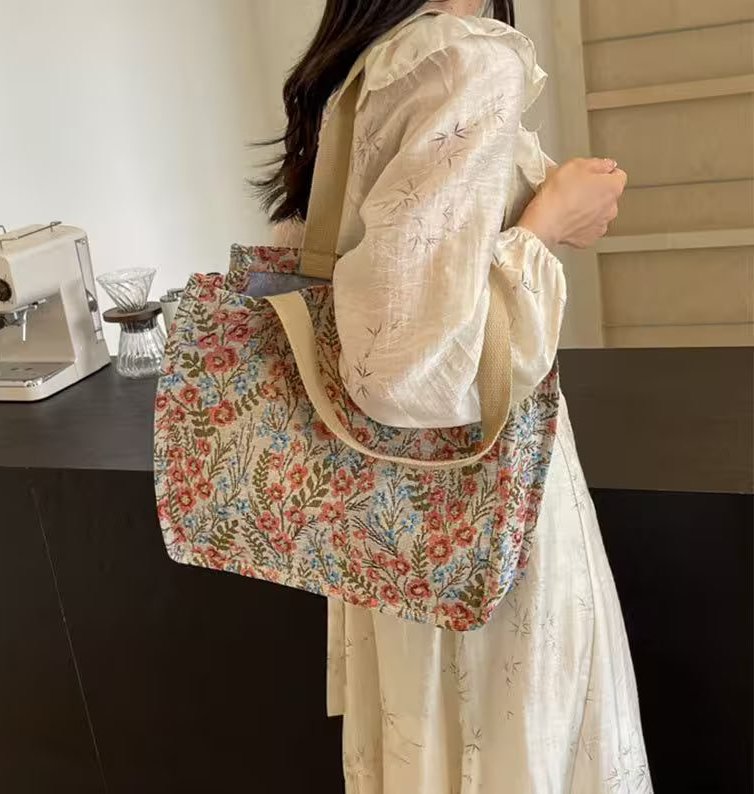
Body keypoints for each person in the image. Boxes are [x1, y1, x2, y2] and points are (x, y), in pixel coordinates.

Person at [259, 1, 652, 791]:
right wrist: (543, 226)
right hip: (480, 506)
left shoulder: (371, 57)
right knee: (508, 749)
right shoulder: (465, 57)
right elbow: (409, 364)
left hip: (398, 522)